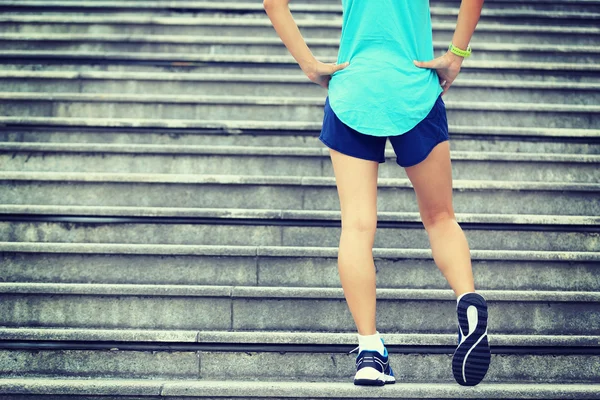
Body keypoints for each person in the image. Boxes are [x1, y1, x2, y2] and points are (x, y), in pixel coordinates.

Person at [263, 0, 490, 387]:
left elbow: (273, 2)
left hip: (354, 89)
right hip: (414, 88)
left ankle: (369, 351)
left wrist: (309, 64)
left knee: (356, 227)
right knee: (440, 218)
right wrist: (456, 53)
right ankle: (467, 300)